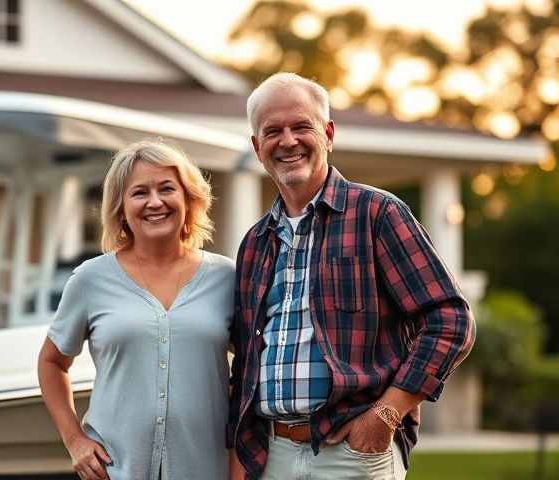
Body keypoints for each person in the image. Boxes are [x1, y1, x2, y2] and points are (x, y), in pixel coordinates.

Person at [227, 73, 476, 480]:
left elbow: (450, 319)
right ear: (257, 148)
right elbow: (246, 364)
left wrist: (387, 414)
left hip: (353, 454)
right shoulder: (255, 243)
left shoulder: (378, 215)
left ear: (327, 133)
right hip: (270, 456)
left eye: (301, 126)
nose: (287, 140)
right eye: (272, 131)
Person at [38, 139, 235, 480]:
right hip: (116, 472)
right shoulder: (90, 279)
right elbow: (52, 362)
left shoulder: (227, 278)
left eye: (167, 189)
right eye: (140, 192)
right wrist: (74, 440)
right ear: (120, 206)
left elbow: (255, 369)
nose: (155, 202)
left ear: (189, 198)